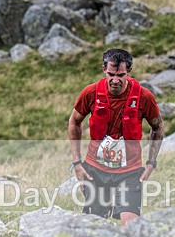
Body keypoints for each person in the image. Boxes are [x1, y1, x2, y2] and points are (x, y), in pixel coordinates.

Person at [68, 48, 164, 226]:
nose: (115, 80)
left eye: (120, 75)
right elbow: (74, 122)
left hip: (129, 171)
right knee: (96, 226)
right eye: (111, 74)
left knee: (131, 224)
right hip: (95, 170)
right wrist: (77, 163)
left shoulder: (144, 97)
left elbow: (157, 127)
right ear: (104, 69)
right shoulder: (91, 93)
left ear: (129, 71)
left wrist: (151, 163)